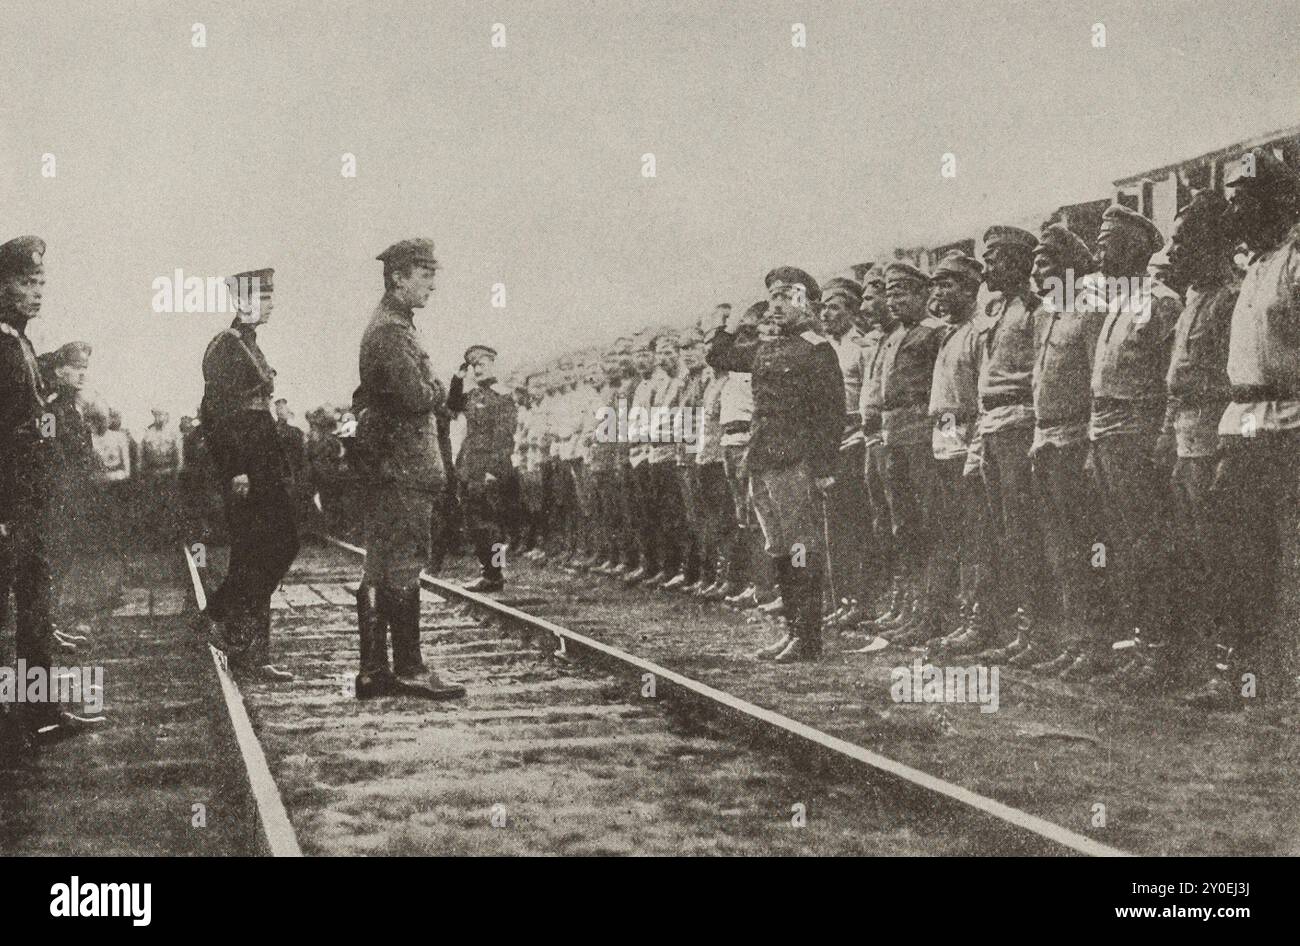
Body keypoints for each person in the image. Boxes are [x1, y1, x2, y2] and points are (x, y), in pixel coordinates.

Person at [709, 267, 843, 662]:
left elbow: (830, 412)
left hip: (795, 461)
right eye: (774, 298)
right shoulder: (768, 348)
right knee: (780, 549)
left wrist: (823, 468)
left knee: (802, 547)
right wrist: (728, 320)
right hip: (763, 459)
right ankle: (793, 631)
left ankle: (809, 637)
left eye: (789, 296)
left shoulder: (816, 349)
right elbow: (718, 354)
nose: (779, 304)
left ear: (809, 304)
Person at [0, 236, 102, 746]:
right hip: (14, 504)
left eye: (40, 282)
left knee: (35, 615)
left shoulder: (19, 345)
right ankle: (28, 715)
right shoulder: (3, 347)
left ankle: (36, 712)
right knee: (24, 613)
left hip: (28, 501)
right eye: (24, 282)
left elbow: (33, 424)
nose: (36, 292)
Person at [351, 239, 464, 700]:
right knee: (402, 566)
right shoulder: (393, 332)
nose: (433, 285)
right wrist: (439, 387)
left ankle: (375, 671)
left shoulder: (392, 325)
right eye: (425, 275)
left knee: (380, 567)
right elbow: (420, 396)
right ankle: (410, 669)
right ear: (398, 277)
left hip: (390, 467)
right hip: (404, 468)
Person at [1210, 147, 1300, 704]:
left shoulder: (1294, 260)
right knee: (1241, 549)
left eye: (1247, 201)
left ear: (1279, 200)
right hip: (1245, 422)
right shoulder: (1256, 267)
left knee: (1287, 551)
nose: (1238, 214)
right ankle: (1248, 671)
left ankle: (1284, 673)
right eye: (1233, 203)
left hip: (1290, 420)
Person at [1085, 204, 1180, 684]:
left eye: (1109, 241)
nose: (1100, 249)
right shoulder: (1119, 303)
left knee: (1149, 543)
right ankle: (1141, 645)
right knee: (1123, 544)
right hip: (1107, 435)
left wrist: (1163, 438)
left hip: (1137, 436)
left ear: (1138, 248)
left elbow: (1169, 379)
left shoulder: (1160, 302)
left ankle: (1162, 651)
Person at [198, 268, 298, 682]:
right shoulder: (225, 346)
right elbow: (214, 414)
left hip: (263, 456)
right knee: (274, 545)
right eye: (265, 298)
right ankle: (220, 615)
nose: (273, 304)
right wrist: (236, 467)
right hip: (247, 462)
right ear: (243, 303)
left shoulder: (249, 343)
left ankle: (249, 651)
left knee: (259, 552)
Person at [446, 344, 518, 592]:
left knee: (492, 524)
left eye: (481, 364)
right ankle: (487, 572)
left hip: (489, 470)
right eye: (473, 365)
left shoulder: (503, 397)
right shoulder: (474, 396)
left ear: (493, 364)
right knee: (474, 523)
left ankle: (496, 575)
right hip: (470, 467)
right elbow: (453, 405)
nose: (477, 369)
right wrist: (457, 378)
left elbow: (504, 437)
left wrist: (493, 471)